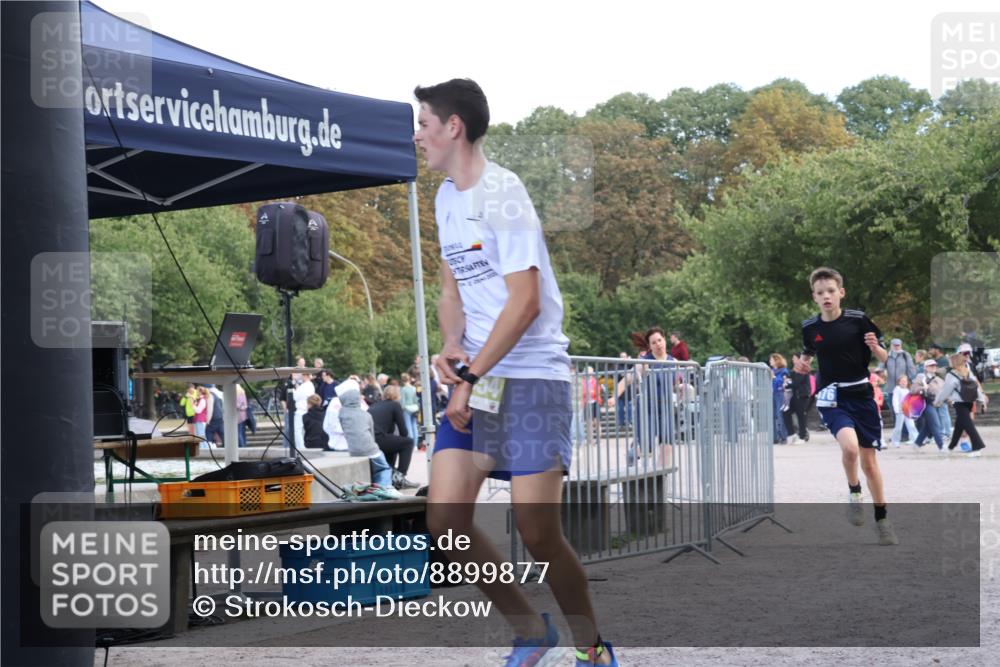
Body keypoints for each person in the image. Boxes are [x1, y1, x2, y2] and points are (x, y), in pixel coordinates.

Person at [415, 78, 617, 667]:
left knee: (537, 532)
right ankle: (531, 631)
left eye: (423, 122)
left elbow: (525, 302)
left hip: (531, 376)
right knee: (446, 521)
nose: (417, 134)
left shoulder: (504, 193)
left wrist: (472, 375)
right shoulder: (444, 198)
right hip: (478, 372)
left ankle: (592, 646)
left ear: (454, 126)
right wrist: (453, 345)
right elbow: (451, 287)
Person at [794, 267, 897, 546]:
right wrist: (803, 364)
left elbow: (885, 357)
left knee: (870, 463)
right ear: (814, 297)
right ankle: (854, 493)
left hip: (862, 395)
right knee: (849, 448)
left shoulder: (859, 320)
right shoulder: (810, 327)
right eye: (820, 293)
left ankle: (882, 519)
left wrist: (876, 349)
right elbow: (808, 352)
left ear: (841, 293)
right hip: (832, 396)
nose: (826, 296)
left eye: (830, 291)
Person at [336, 378, 396, 490]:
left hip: (354, 451)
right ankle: (384, 488)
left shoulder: (342, 414)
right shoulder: (366, 415)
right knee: (384, 468)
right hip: (370, 449)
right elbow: (372, 436)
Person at [934, 352, 989, 456]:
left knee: (969, 426)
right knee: (959, 426)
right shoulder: (968, 372)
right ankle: (950, 447)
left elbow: (945, 391)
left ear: (954, 362)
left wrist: (937, 401)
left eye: (950, 361)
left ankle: (977, 448)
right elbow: (976, 387)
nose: (949, 362)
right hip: (969, 402)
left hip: (959, 403)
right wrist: (981, 399)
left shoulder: (951, 374)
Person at [368, 385, 419, 489]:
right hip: (379, 438)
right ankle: (400, 477)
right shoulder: (395, 405)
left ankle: (391, 477)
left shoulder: (374, 405)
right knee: (408, 442)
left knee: (393, 444)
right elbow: (403, 431)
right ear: (397, 395)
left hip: (369, 440)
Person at [913, 358, 946, 451]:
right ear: (926, 367)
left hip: (937, 404)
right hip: (926, 403)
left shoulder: (939, 379)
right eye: (931, 366)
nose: (933, 367)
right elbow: (913, 389)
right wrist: (923, 388)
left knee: (928, 426)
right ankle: (941, 446)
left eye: (934, 365)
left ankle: (917, 444)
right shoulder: (921, 377)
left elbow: (945, 391)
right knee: (936, 424)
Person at [784, 354, 811, 443]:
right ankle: (792, 434)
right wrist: (786, 379)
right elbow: (790, 378)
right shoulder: (795, 369)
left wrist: (788, 384)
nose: (792, 359)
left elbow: (796, 383)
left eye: (794, 358)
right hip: (794, 396)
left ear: (799, 358)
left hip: (802, 396)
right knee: (785, 412)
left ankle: (802, 437)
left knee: (801, 416)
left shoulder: (803, 367)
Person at [889, 376, 917, 447]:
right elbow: (894, 400)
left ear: (907, 382)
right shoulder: (897, 389)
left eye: (905, 381)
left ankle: (916, 440)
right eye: (902, 381)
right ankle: (895, 441)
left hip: (908, 411)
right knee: (898, 427)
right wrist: (896, 410)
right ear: (899, 382)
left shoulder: (908, 390)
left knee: (911, 426)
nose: (904, 383)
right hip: (900, 411)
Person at [769, 354, 790, 445]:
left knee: (780, 414)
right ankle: (775, 437)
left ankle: (783, 436)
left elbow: (784, 383)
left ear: (777, 360)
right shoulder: (771, 370)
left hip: (780, 394)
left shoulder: (784, 371)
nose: (770, 361)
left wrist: (773, 377)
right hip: (772, 394)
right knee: (773, 415)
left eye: (771, 359)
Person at [292, 373, 314, 450]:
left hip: (301, 410)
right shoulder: (310, 385)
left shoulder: (304, 386)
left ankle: (300, 447)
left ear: (306, 376)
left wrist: (295, 389)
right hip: (306, 410)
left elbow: (295, 397)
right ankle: (302, 446)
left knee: (297, 430)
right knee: (303, 429)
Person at [400, 373, 421, 448]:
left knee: (408, 427)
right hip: (414, 407)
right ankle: (415, 444)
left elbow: (402, 401)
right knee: (414, 426)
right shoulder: (413, 388)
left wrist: (401, 409)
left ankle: (411, 444)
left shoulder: (403, 389)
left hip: (407, 408)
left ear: (402, 380)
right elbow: (416, 399)